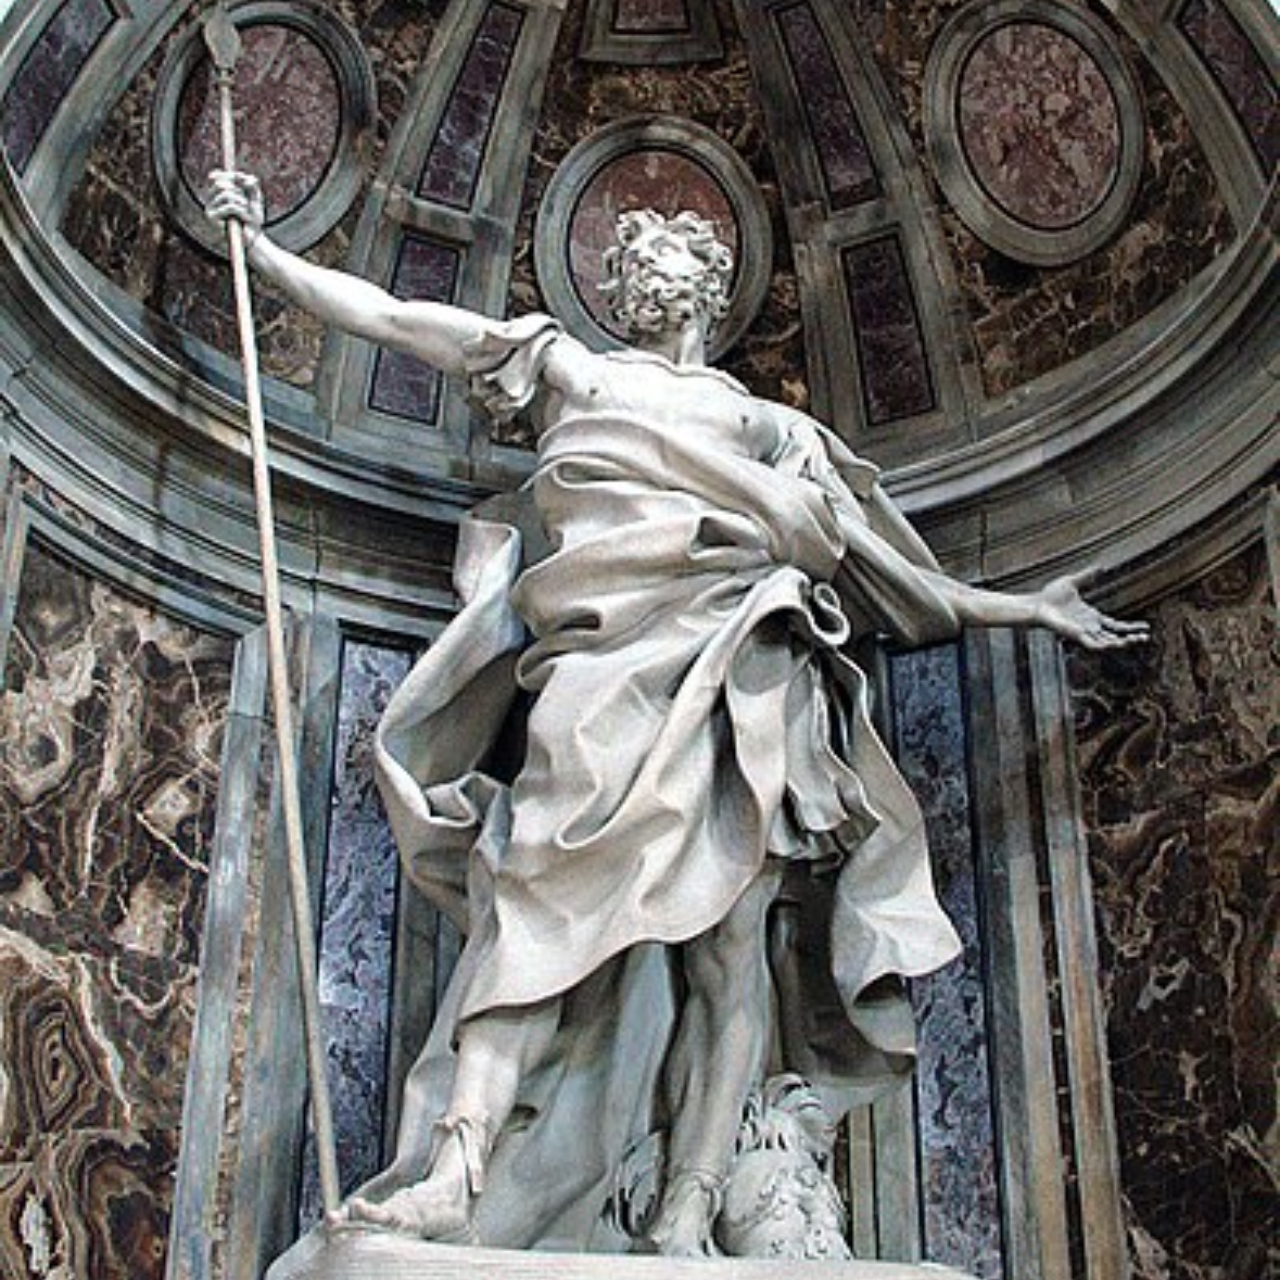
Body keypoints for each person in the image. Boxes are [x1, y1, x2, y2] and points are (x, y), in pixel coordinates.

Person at [207, 172, 1147, 1257]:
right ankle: (458, 1166)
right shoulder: (569, 365)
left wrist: (1026, 604)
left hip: (737, 671)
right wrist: (264, 255)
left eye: (670, 266)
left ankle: (690, 1201)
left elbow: (897, 579)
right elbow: (403, 320)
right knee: (531, 896)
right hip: (601, 668)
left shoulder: (767, 425)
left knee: (728, 948)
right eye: (634, 267)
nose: (648, 282)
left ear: (706, 290)